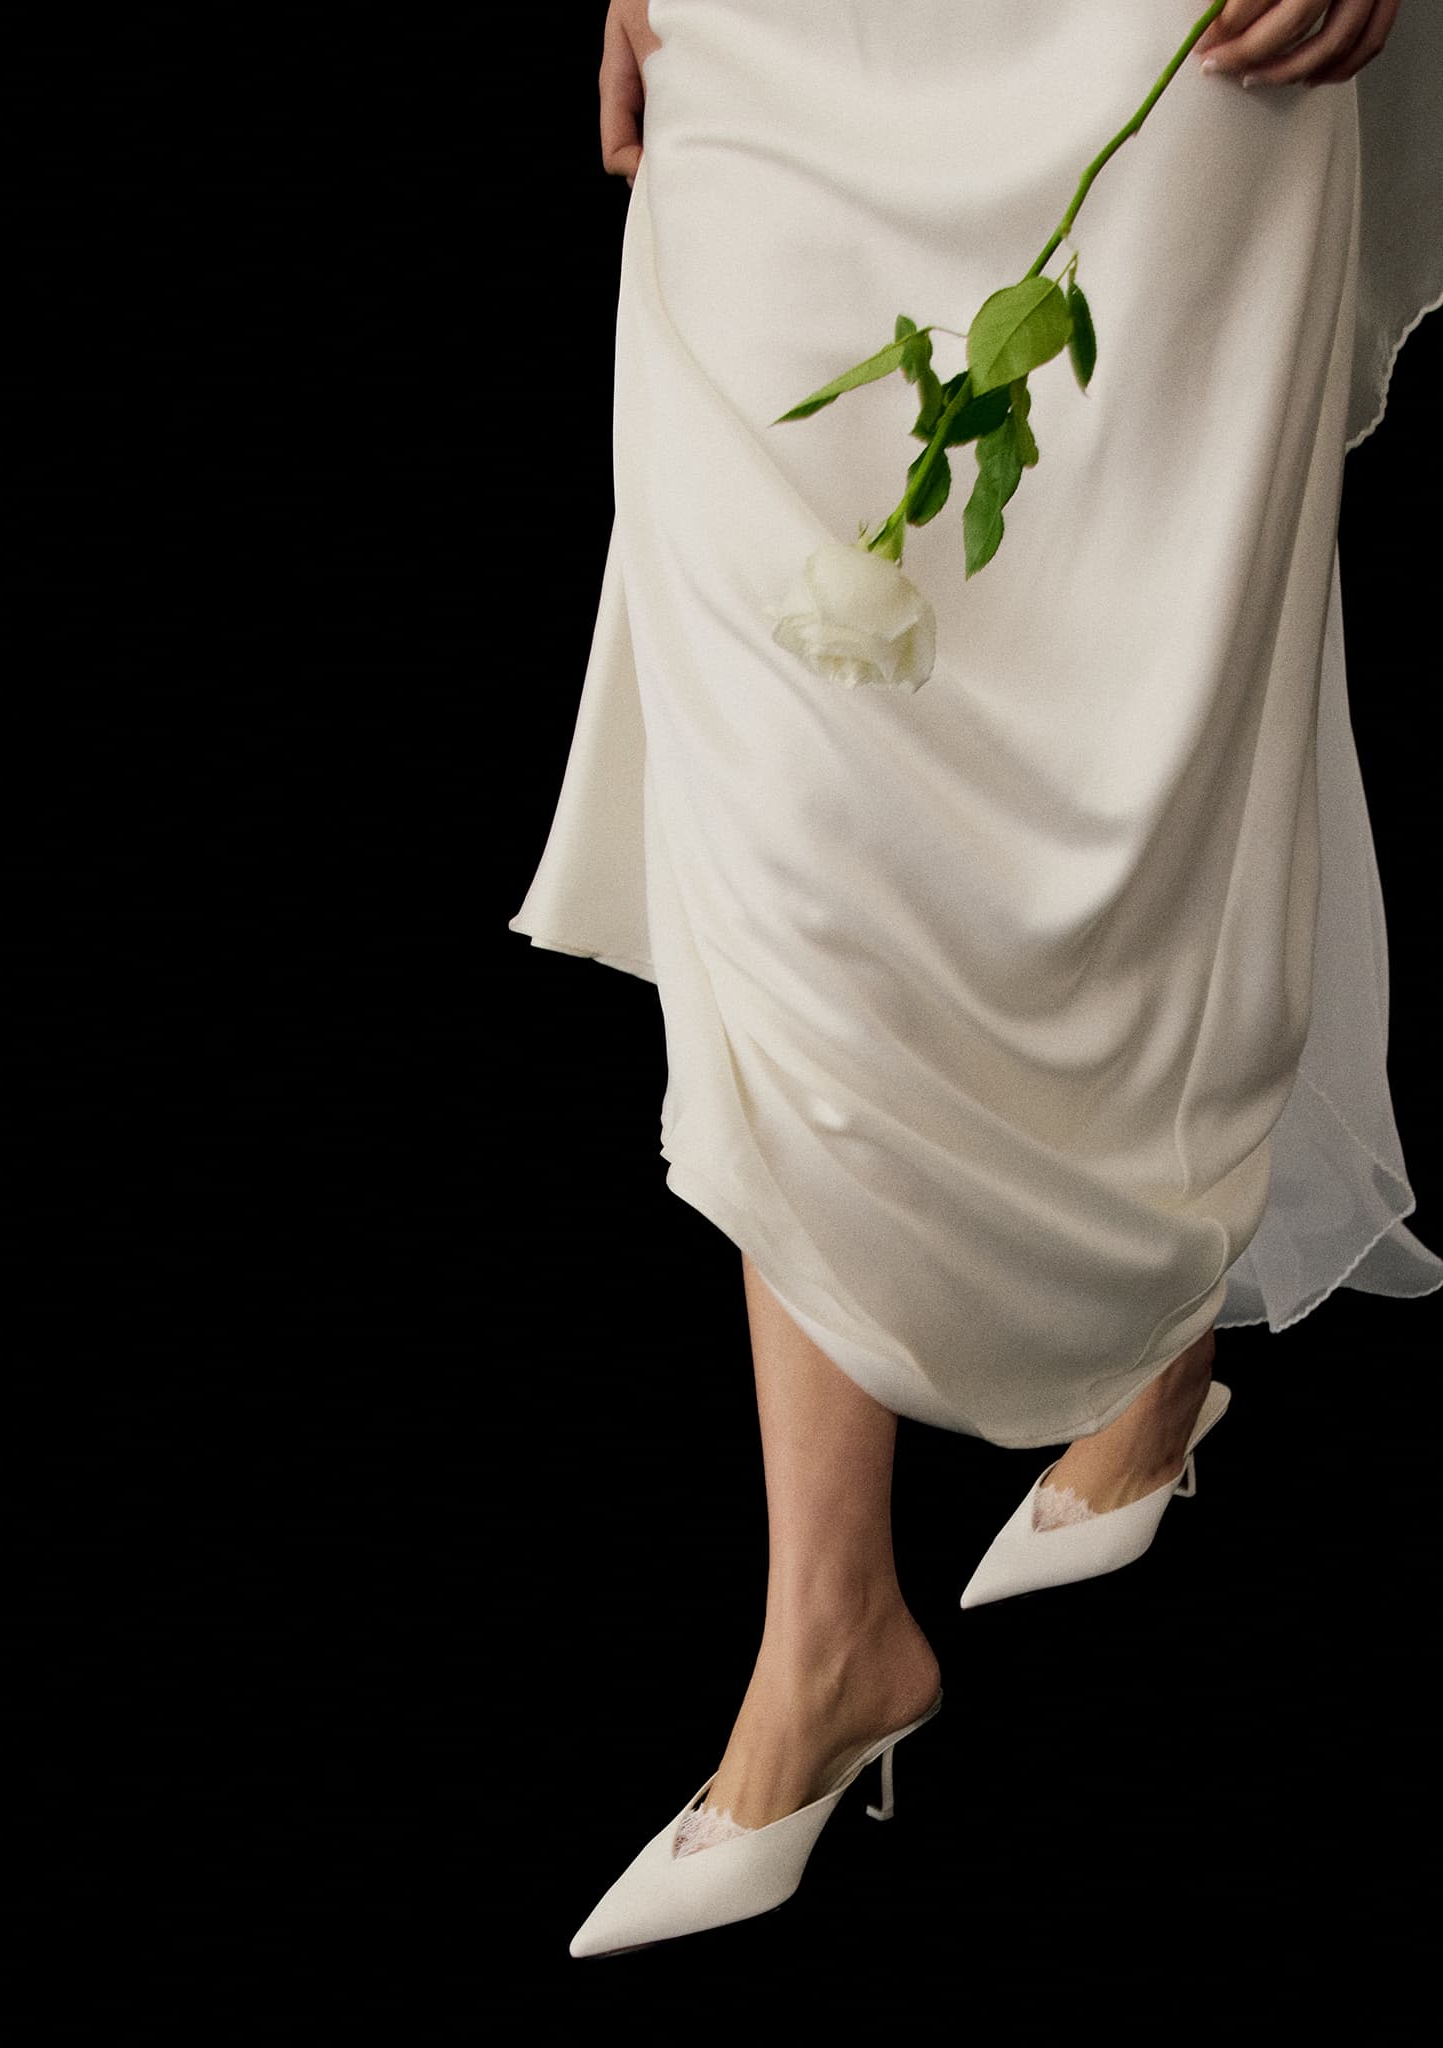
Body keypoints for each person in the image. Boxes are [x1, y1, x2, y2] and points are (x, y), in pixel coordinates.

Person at [509, 0, 1441, 1956]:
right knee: (790, 759)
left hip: (1163, 32)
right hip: (777, 35)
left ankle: (1159, 1335)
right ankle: (832, 1620)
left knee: (1141, 677)